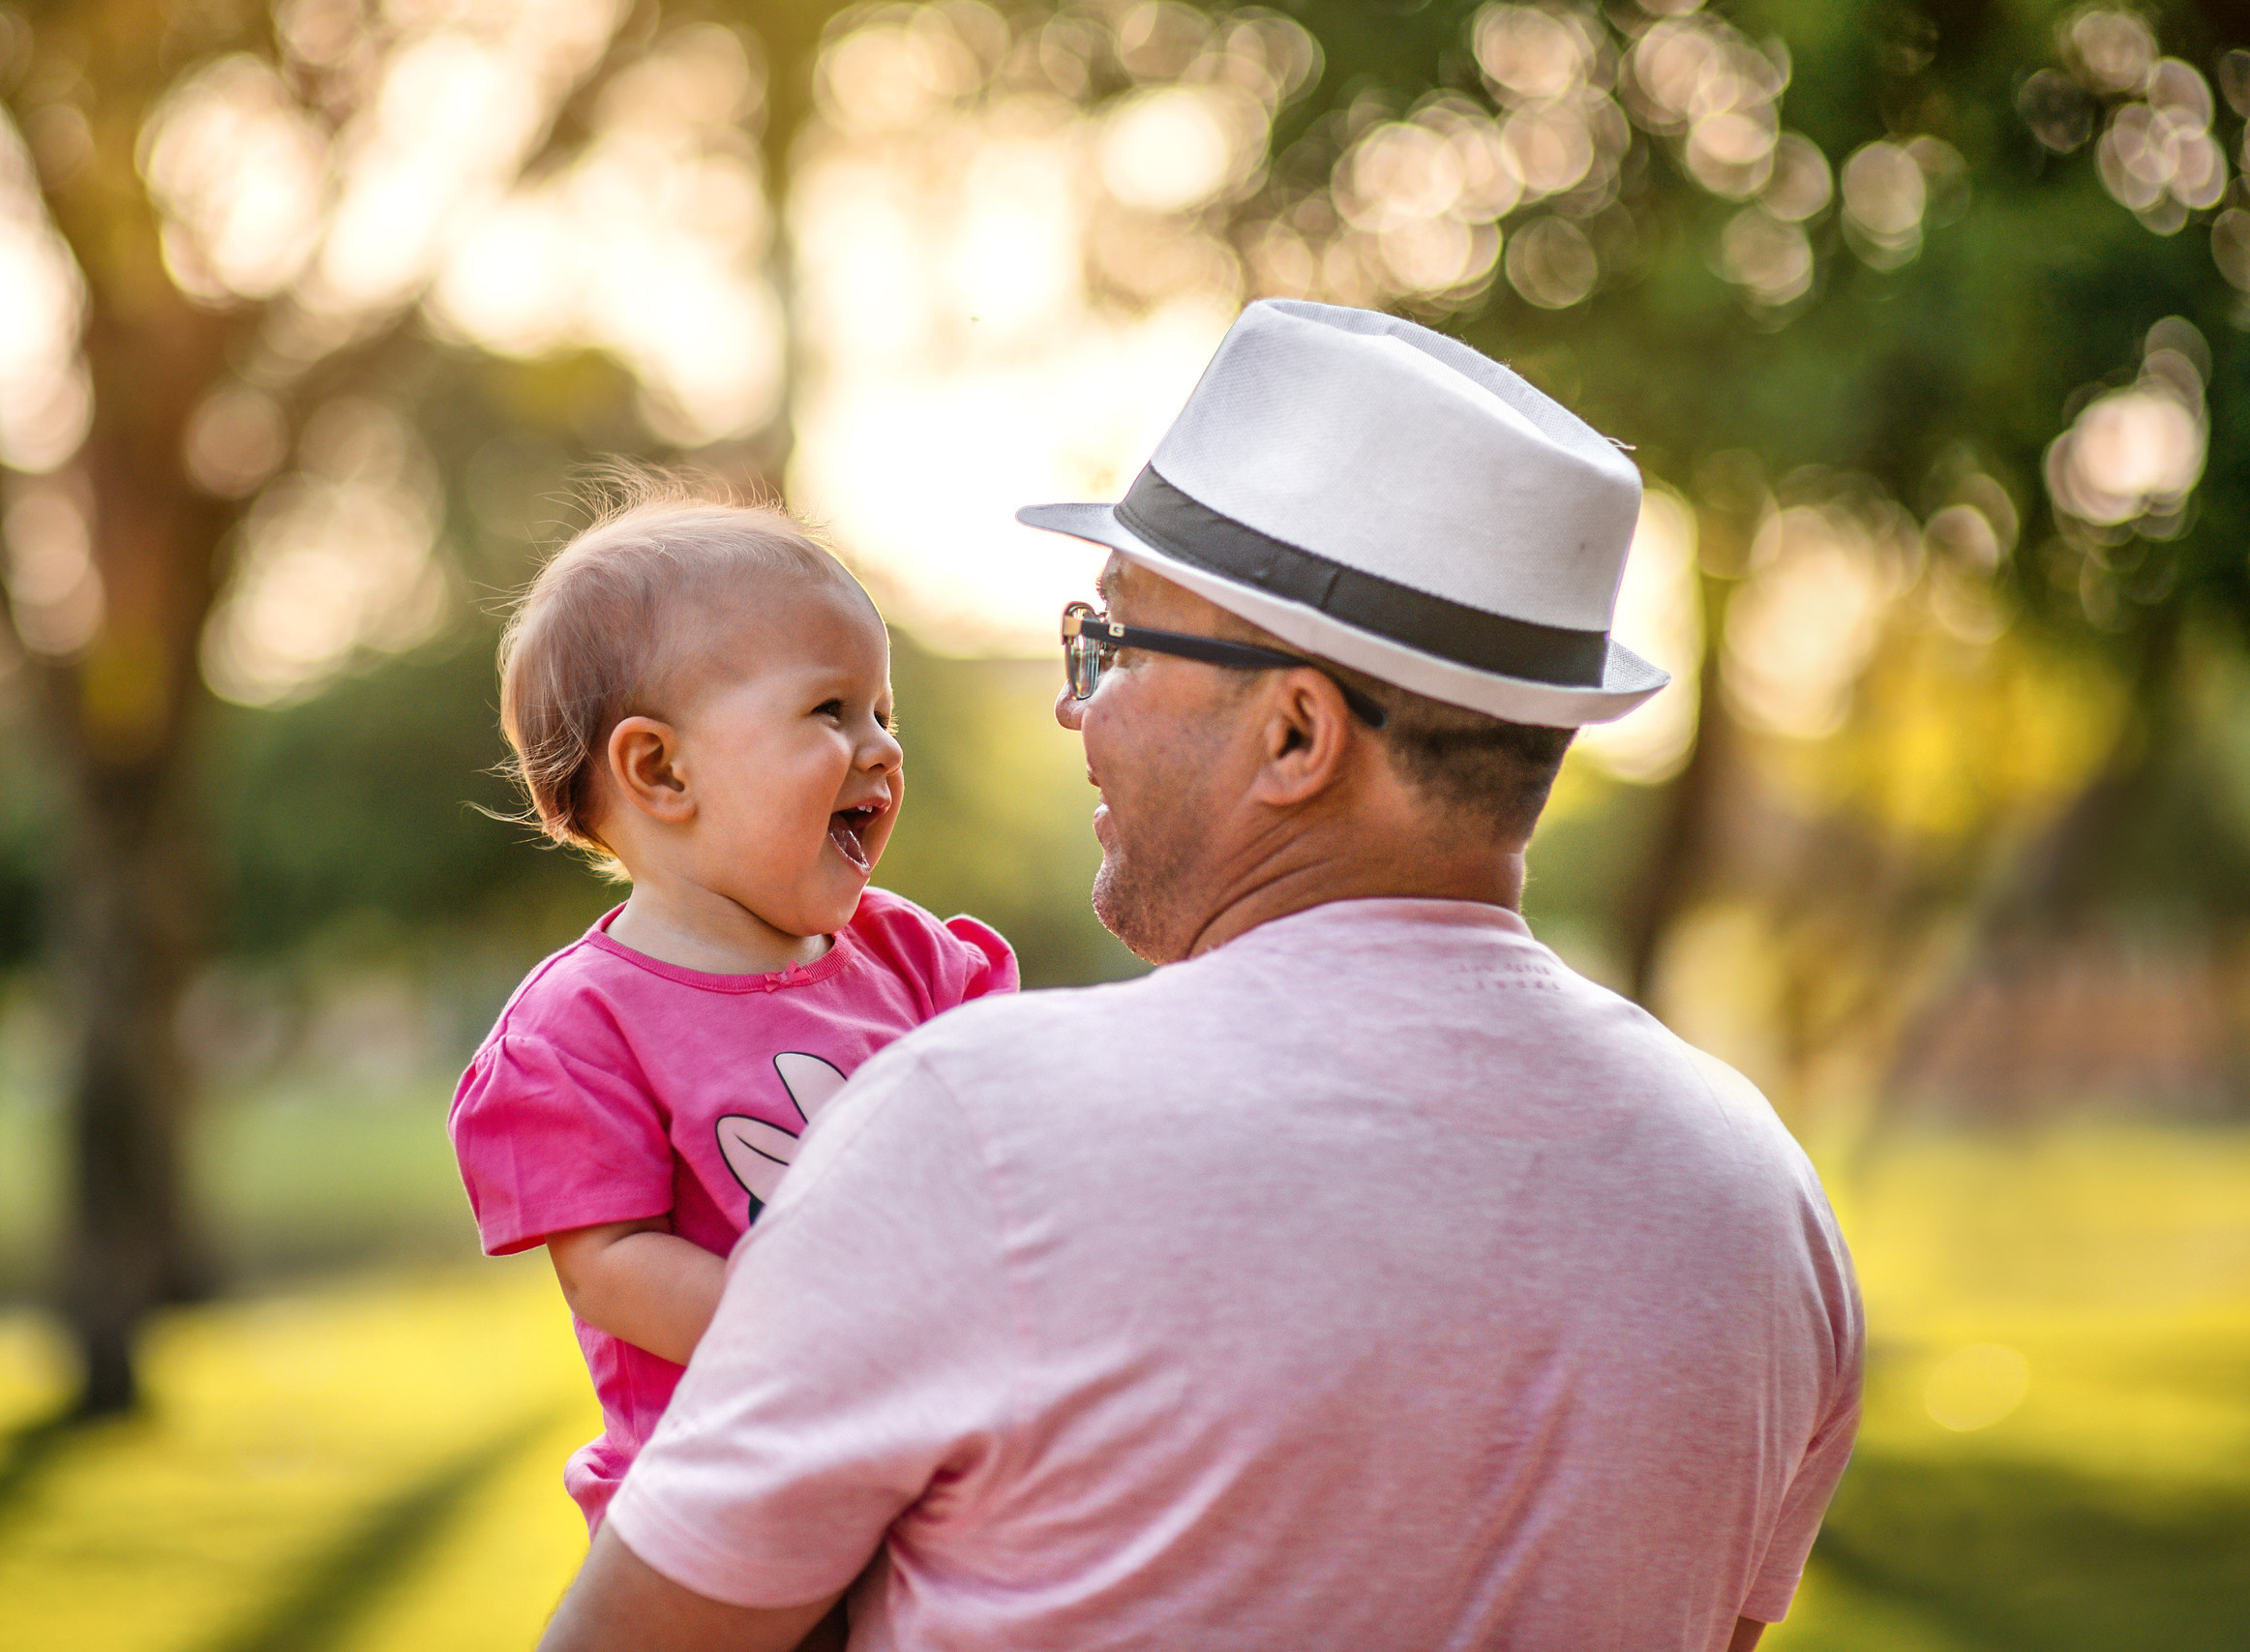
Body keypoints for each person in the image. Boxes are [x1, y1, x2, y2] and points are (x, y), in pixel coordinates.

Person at [536, 302, 1864, 1652]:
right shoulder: (1761, 1205)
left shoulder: (981, 1131)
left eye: (1114, 644)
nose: (1076, 705)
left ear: (1295, 732)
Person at [448, 487, 1019, 1541]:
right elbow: (612, 1270)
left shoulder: (914, 961)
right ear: (662, 769)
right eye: (831, 712)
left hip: (931, 1462)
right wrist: (832, 1343)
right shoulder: (580, 1031)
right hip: (728, 1499)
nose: (883, 748)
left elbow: (1016, 1139)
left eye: (884, 714)